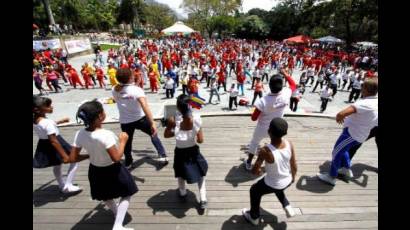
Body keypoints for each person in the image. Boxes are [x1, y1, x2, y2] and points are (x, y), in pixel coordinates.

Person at [70, 100, 137, 230]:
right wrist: (123, 141)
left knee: (105, 195)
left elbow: (72, 158)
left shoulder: (80, 134)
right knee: (127, 192)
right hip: (113, 169)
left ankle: (117, 213)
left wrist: (89, 155)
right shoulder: (105, 135)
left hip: (95, 170)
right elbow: (117, 158)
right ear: (100, 116)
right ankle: (118, 225)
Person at [317, 79, 378, 186]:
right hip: (361, 134)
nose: (361, 88)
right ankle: (346, 168)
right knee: (344, 150)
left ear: (366, 90)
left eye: (362, 86)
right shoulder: (375, 101)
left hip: (351, 134)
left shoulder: (364, 103)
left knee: (336, 152)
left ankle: (331, 176)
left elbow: (341, 114)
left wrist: (340, 117)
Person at [242, 118, 297, 226]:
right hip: (288, 179)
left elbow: (254, 171)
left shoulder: (265, 150)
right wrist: (293, 178)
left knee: (254, 190)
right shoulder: (289, 144)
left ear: (269, 131)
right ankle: (287, 205)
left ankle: (254, 217)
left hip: (274, 183)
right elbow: (294, 164)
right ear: (285, 132)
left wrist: (261, 170)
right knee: (278, 186)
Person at [112, 68, 168, 167]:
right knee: (153, 133)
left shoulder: (115, 89)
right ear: (130, 77)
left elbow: (127, 91)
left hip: (125, 121)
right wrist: (152, 122)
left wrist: (135, 84)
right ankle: (162, 155)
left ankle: (128, 161)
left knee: (127, 142)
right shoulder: (137, 90)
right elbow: (144, 105)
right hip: (140, 119)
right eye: (132, 75)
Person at [244, 70, 296, 170]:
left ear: (269, 86)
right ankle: (275, 162)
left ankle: (249, 162)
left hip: (262, 128)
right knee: (276, 144)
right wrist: (286, 74)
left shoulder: (263, 100)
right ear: (281, 86)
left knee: (254, 143)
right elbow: (293, 85)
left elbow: (253, 118)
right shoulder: (286, 94)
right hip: (276, 128)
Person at [164, 94, 208, 210]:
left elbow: (166, 135)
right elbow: (200, 140)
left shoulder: (174, 120)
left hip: (180, 151)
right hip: (193, 150)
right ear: (190, 105)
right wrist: (196, 131)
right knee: (201, 173)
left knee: (180, 173)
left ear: (178, 107)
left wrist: (170, 127)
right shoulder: (197, 118)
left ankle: (182, 193)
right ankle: (203, 198)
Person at [33, 96, 81, 193]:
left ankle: (61, 184)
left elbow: (46, 126)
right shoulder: (47, 123)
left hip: (44, 144)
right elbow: (54, 140)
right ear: (37, 110)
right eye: (48, 106)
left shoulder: (36, 120)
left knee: (57, 165)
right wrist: (64, 156)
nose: (51, 107)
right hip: (57, 143)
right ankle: (68, 184)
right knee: (74, 160)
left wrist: (60, 121)